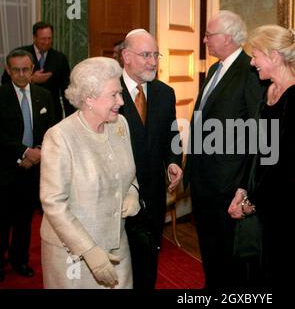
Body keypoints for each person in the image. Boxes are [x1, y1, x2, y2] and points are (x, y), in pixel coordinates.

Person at [183, 10, 268, 288]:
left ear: (228, 38)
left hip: (228, 185)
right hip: (204, 181)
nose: (205, 39)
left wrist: (244, 187)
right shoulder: (214, 70)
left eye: (209, 34)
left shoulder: (250, 70)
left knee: (232, 259)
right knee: (210, 252)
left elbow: (259, 133)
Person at [39, 57, 140, 288]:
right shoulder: (60, 137)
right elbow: (53, 202)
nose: (121, 101)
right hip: (73, 253)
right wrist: (89, 251)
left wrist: (132, 194)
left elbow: (129, 174)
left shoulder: (120, 125)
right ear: (89, 99)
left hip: (116, 246)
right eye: (113, 95)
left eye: (120, 93)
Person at [227, 25, 295, 288]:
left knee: (280, 273)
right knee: (254, 272)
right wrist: (241, 190)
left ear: (274, 56)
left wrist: (251, 204)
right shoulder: (269, 91)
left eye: (256, 56)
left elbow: (283, 161)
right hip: (259, 193)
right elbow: (257, 149)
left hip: (282, 200)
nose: (252, 63)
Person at [120, 29, 183, 290]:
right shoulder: (107, 90)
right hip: (119, 197)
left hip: (154, 195)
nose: (153, 62)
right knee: (121, 265)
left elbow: (172, 134)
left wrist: (173, 161)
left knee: (148, 265)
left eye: (156, 55)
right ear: (126, 56)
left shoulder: (164, 93)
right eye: (146, 55)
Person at [0, 49, 55, 282]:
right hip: (5, 170)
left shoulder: (44, 95)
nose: (21, 74)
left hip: (33, 170)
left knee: (25, 220)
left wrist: (39, 152)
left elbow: (53, 128)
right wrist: (23, 152)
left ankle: (19, 260)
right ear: (8, 70)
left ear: (32, 69)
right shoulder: (1, 95)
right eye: (16, 70)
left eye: (25, 69)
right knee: (2, 221)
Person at [1, 21, 74, 122]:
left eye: (49, 38)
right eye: (43, 39)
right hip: (23, 110)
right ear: (34, 38)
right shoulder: (20, 55)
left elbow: (66, 89)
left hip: (51, 112)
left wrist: (70, 119)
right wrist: (31, 79)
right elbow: (5, 81)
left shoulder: (60, 58)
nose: (47, 42)